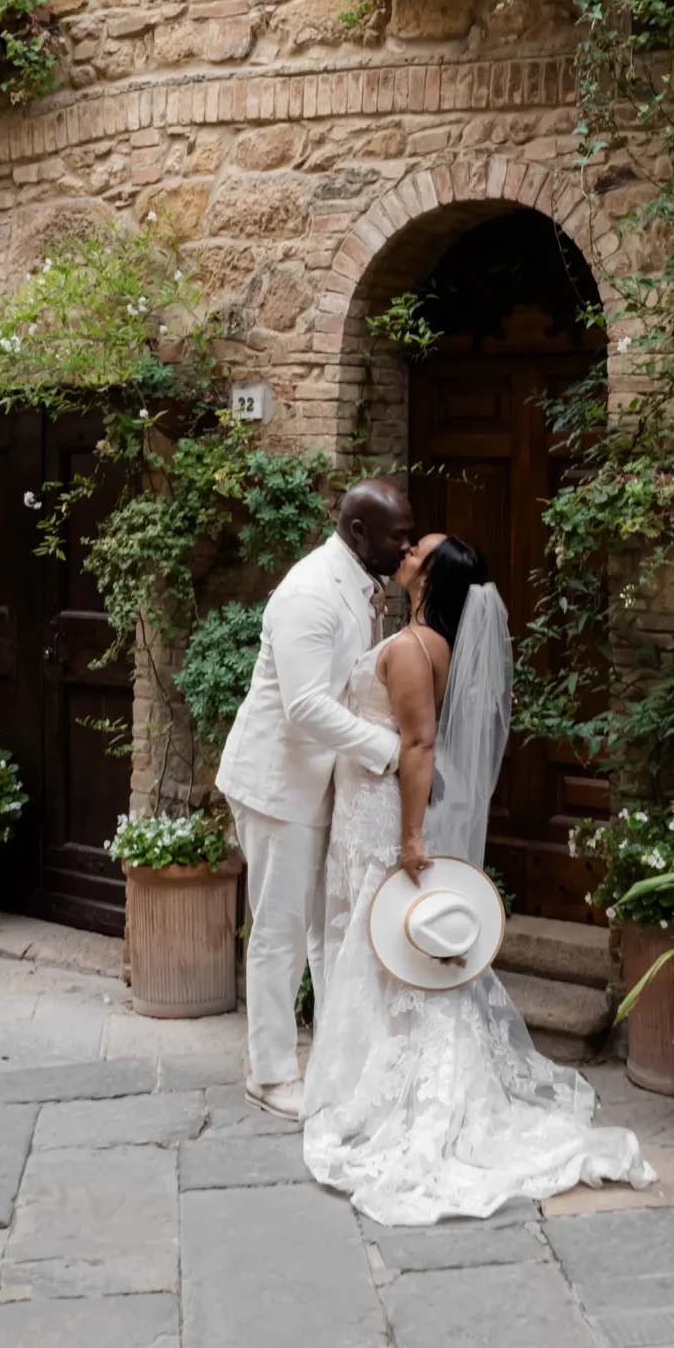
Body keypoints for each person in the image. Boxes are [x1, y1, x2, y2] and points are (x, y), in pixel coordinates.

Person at [302, 531, 656, 1225]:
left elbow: (419, 745)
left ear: (432, 578)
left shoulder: (413, 648)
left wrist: (410, 838)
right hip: (370, 810)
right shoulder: (428, 640)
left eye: (418, 551)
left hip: (384, 818)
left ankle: (397, 1094)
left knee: (386, 953)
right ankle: (377, 1077)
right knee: (386, 956)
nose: (405, 552)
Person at [217, 478, 415, 1119]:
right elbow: (304, 706)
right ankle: (270, 1073)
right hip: (278, 786)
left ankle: (332, 1060)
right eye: (397, 536)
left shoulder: (361, 583)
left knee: (323, 930)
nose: (406, 546)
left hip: (323, 783)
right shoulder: (309, 592)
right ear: (359, 532)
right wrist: (388, 751)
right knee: (280, 933)